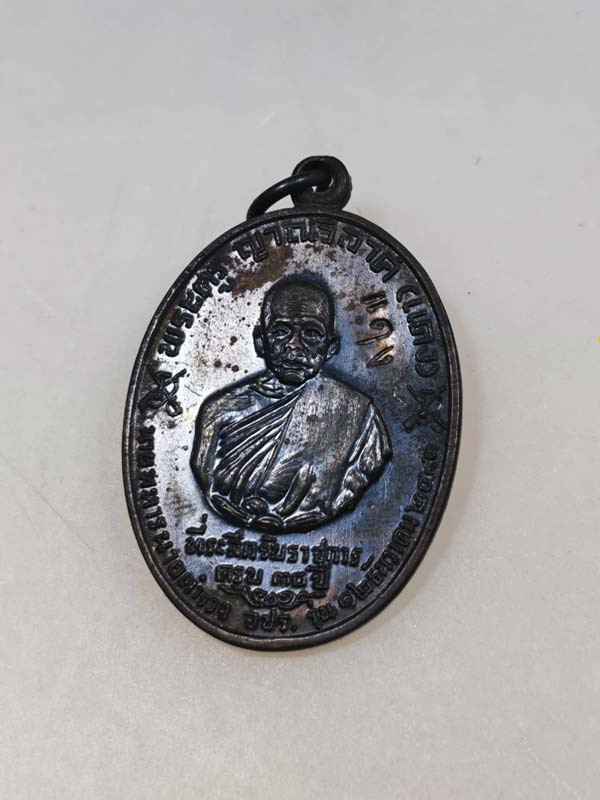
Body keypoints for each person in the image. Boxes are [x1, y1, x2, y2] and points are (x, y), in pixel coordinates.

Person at [191, 277, 392, 533]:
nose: (294, 345)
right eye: (281, 331)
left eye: (311, 333)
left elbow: (360, 476)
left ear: (330, 347)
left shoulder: (358, 413)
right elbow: (205, 476)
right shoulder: (218, 411)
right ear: (260, 341)